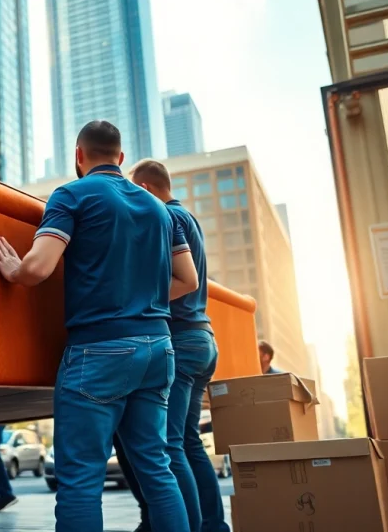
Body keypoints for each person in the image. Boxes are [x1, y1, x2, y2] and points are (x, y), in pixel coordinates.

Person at [0, 120, 197, 532]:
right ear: (121, 158)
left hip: (100, 350)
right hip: (159, 350)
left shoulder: (72, 195)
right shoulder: (159, 209)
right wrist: (144, 298)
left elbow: (39, 267)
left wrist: (16, 269)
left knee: (81, 481)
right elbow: (187, 280)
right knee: (157, 471)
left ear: (79, 157)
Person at [116, 159, 230, 532]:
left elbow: (186, 281)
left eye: (136, 192)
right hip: (202, 339)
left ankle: (190, 526)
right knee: (189, 442)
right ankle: (213, 525)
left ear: (146, 190)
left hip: (182, 339)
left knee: (168, 444)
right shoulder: (188, 217)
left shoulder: (167, 217)